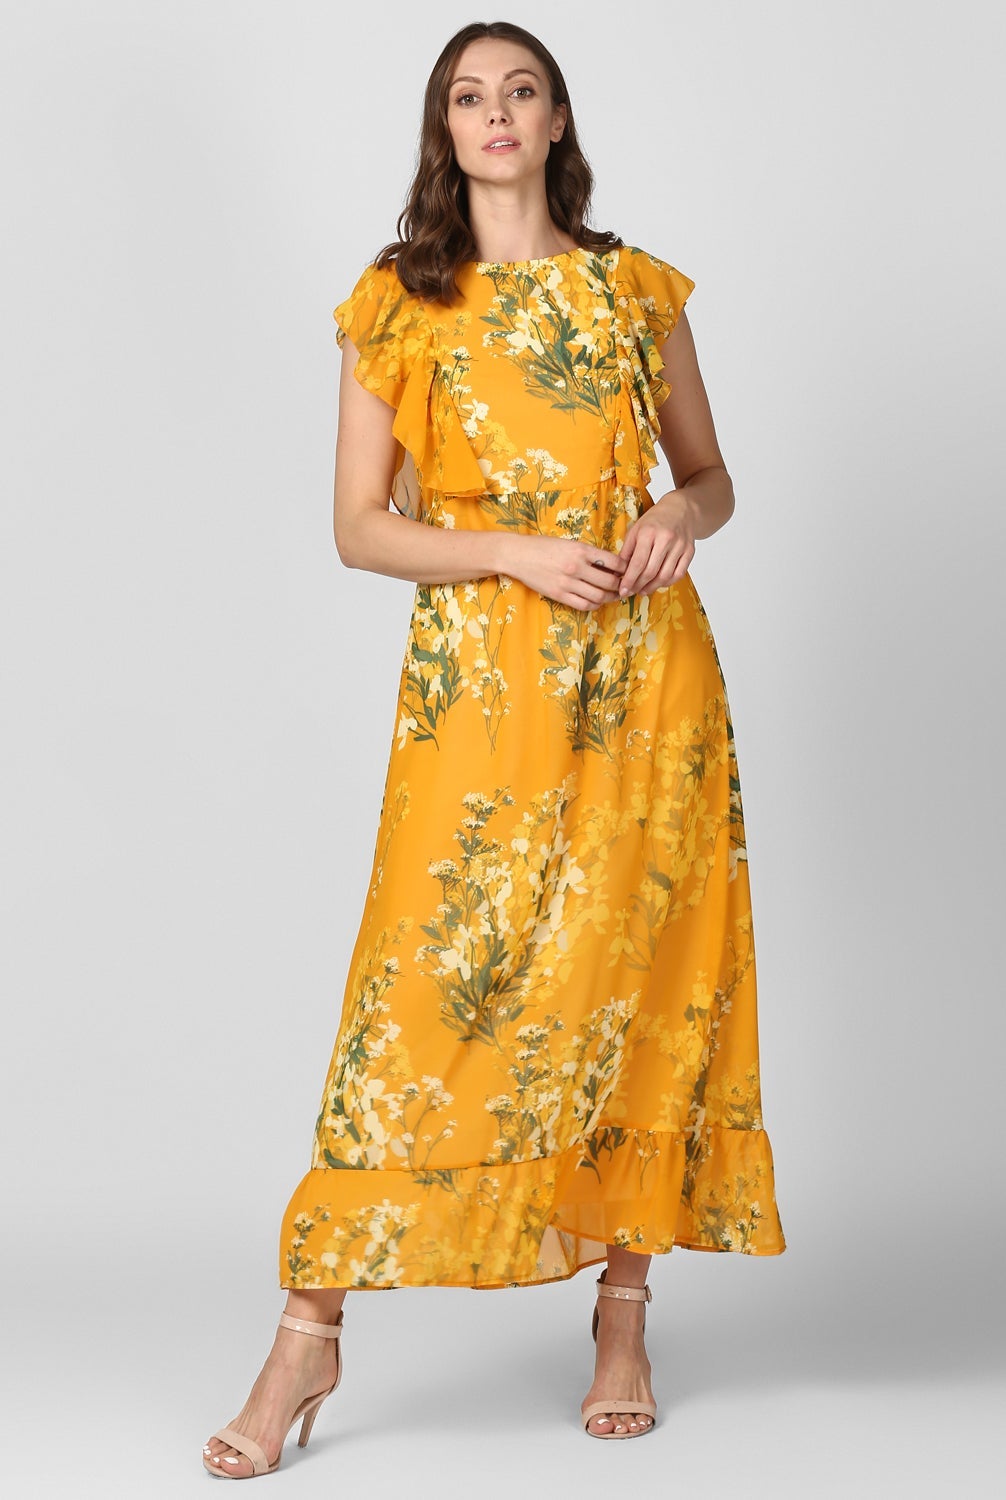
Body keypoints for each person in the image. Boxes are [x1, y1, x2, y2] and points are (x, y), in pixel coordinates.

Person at [203, 19, 786, 1479]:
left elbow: (713, 476)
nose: (498, 114)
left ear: (558, 117)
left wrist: (677, 516)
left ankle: (624, 1314)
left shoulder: (635, 291)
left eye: (521, 90)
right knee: (423, 995)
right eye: (470, 97)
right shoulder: (400, 304)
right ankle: (308, 1333)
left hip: (647, 683)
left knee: (636, 983)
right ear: (444, 130)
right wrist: (516, 551)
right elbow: (360, 529)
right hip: (481, 691)